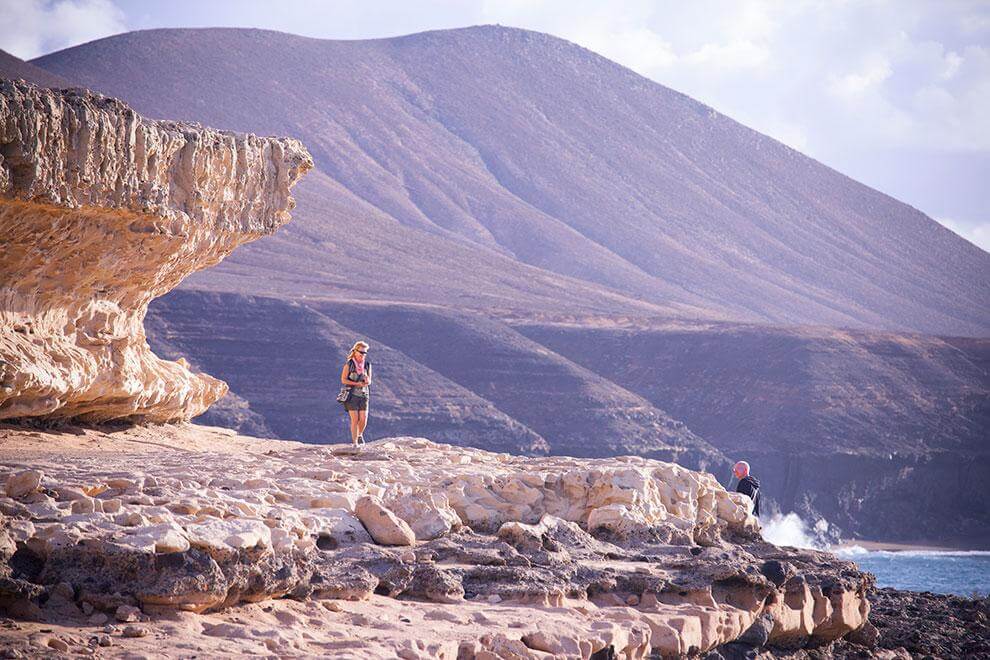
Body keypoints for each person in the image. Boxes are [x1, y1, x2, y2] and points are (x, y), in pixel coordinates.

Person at [340, 341, 372, 446]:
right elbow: (343, 380)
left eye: (365, 353)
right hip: (352, 395)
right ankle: (354, 443)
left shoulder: (367, 365)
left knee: (363, 418)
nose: (363, 355)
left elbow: (370, 380)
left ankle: (360, 435)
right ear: (355, 351)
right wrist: (356, 383)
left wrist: (367, 381)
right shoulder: (349, 365)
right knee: (355, 419)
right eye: (361, 352)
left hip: (364, 394)